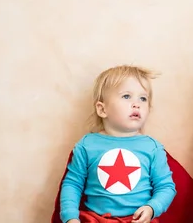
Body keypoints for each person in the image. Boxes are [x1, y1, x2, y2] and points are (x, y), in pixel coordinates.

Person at [60, 65, 176, 223]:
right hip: (96, 219)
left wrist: (152, 207)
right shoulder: (87, 145)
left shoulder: (152, 148)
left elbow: (166, 187)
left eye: (143, 98)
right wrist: (70, 217)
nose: (137, 104)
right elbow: (72, 184)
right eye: (127, 96)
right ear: (102, 109)